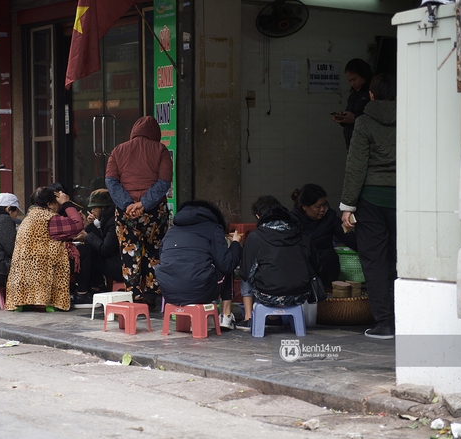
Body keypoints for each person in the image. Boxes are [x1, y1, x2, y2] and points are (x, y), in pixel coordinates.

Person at [340, 73, 397, 340]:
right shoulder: (410, 118)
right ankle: (407, 317)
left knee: (375, 263)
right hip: (405, 200)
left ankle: (385, 324)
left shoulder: (363, 123)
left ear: (371, 95)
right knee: (400, 261)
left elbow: (356, 167)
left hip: (371, 201)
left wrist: (347, 206)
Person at [105, 115, 172, 309]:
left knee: (129, 251)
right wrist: (143, 204)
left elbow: (111, 181)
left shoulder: (118, 151)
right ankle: (151, 294)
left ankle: (133, 294)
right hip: (153, 212)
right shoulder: (160, 150)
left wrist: (127, 204)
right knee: (154, 250)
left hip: (125, 212)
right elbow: (164, 182)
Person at [155, 200, 243, 330]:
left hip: (169, 291)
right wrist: (235, 243)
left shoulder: (171, 231)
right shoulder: (214, 228)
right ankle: (226, 316)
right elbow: (226, 264)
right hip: (201, 291)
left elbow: (163, 257)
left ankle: (194, 320)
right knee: (227, 263)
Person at [239, 196, 318, 329]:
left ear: (258, 216)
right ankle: (274, 318)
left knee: (245, 274)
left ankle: (249, 317)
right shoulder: (301, 233)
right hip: (300, 294)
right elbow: (315, 265)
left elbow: (246, 272)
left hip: (267, 296)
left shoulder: (255, 236)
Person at [5, 187, 83, 311]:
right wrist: (67, 203)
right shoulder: (50, 219)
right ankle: (83, 294)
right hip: (43, 273)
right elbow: (77, 224)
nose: (59, 206)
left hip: (21, 280)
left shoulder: (28, 218)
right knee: (84, 252)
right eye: (57, 203)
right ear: (49, 204)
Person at [291, 184, 357, 287]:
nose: (322, 209)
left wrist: (369, 249)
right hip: (301, 269)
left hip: (324, 267)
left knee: (329, 255)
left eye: (324, 205)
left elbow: (349, 238)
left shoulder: (330, 217)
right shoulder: (292, 221)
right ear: (304, 206)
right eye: (318, 206)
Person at [72, 189, 124, 307]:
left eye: (94, 208)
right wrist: (88, 227)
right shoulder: (105, 219)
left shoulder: (112, 222)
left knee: (88, 252)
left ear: (102, 207)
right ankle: (96, 287)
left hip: (118, 266)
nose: (92, 211)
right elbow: (97, 236)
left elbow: (105, 248)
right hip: (112, 261)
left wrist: (87, 237)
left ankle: (87, 290)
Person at [332, 58, 373, 150]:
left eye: (354, 79)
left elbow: (376, 118)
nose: (352, 84)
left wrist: (355, 118)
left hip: (366, 146)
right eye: (349, 81)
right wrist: (343, 118)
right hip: (352, 144)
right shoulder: (353, 95)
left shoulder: (373, 93)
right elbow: (350, 117)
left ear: (363, 75)